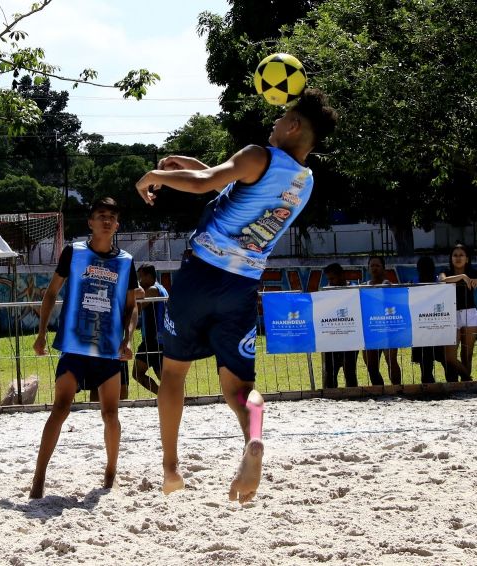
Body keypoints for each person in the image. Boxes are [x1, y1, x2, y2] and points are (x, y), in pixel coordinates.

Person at [135, 88, 338, 502]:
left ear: (295, 126)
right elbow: (227, 185)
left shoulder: (257, 154)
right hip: (243, 284)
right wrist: (188, 165)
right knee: (240, 389)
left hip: (201, 275)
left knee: (173, 373)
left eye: (282, 118)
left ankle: (171, 468)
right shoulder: (305, 180)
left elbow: (207, 183)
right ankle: (254, 438)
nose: (274, 124)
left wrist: (155, 176)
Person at [30, 197, 139, 499]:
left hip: (108, 351)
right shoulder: (73, 253)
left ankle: (111, 472)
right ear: (90, 222)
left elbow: (132, 307)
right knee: (60, 409)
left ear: (117, 225)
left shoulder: (126, 261)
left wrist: (128, 341)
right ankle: (38, 479)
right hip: (75, 348)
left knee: (110, 414)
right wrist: (41, 334)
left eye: (112, 217)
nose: (107, 220)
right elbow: (51, 294)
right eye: (101, 215)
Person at [438, 244, 477, 381]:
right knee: (449, 357)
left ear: (467, 258)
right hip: (450, 315)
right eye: (455, 255)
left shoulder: (473, 272)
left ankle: (466, 385)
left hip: (470, 313)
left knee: (467, 353)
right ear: (451, 258)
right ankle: (468, 378)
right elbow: (441, 280)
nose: (458, 258)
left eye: (461, 255)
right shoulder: (446, 272)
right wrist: (461, 277)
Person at [411, 256, 453, 383]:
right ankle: (452, 383)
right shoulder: (438, 282)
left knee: (428, 364)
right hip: (435, 327)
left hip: (423, 329)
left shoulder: (413, 283)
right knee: (444, 360)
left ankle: (429, 386)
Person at [361, 255, 402, 385]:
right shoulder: (363, 287)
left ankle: (397, 388)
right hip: (370, 329)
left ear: (383, 268)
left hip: (388, 329)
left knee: (391, 361)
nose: (374, 268)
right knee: (371, 366)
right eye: (372, 265)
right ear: (368, 268)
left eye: (377, 265)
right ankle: (379, 389)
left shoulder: (389, 286)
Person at [132, 264, 168, 394]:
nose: (139, 282)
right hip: (158, 340)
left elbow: (137, 308)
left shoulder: (153, 290)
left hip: (153, 340)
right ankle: (165, 398)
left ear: (148, 276)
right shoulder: (161, 288)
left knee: (137, 373)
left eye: (140, 278)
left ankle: (163, 397)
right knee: (163, 378)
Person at [320, 263, 358, 388]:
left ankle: (353, 397)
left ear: (342, 276)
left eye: (332, 278)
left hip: (351, 336)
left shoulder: (354, 290)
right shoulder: (325, 292)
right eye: (328, 279)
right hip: (331, 337)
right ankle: (330, 397)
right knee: (330, 371)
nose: (330, 282)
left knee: (350, 370)